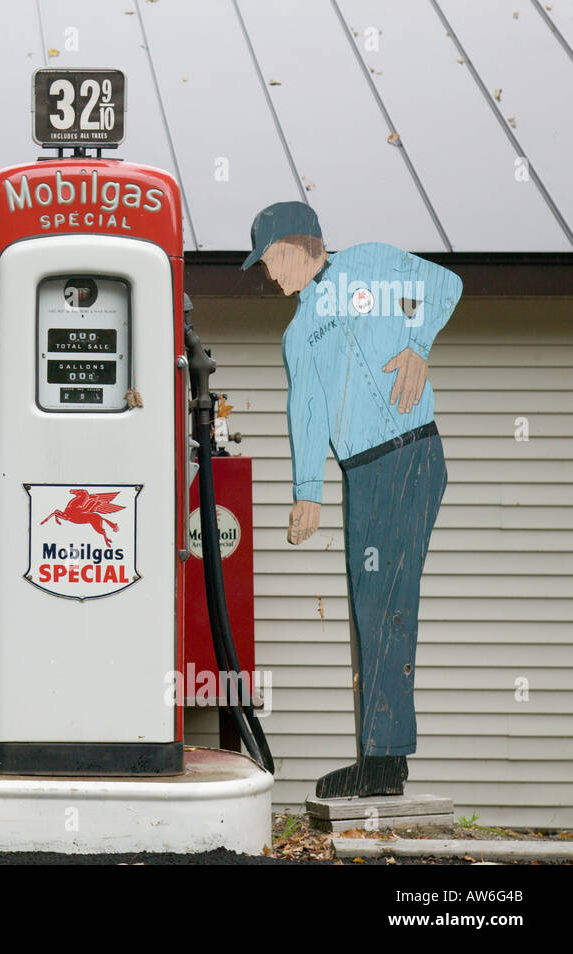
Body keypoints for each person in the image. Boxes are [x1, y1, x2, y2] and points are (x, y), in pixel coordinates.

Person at [243, 201, 462, 798]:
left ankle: (385, 760)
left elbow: (444, 284)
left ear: (296, 244)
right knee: (370, 608)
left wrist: (418, 345)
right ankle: (378, 754)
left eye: (270, 260)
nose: (269, 275)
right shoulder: (297, 333)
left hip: (409, 452)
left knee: (387, 601)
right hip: (360, 472)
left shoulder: (367, 264)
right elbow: (307, 411)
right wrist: (306, 492)